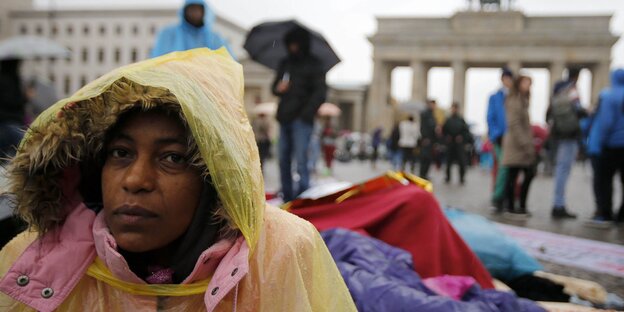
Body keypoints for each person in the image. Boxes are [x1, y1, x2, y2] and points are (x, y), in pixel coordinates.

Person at [0, 48, 355, 311]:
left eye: (173, 158)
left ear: (215, 177)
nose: (136, 180)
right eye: (121, 153)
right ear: (94, 165)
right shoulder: (27, 262)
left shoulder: (282, 251)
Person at [272, 27, 327, 202]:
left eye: (296, 43)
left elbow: (320, 92)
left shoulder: (315, 64)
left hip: (302, 119)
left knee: (302, 159)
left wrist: (306, 113)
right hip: (285, 117)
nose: (293, 47)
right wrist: (278, 88)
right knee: (283, 159)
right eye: (290, 43)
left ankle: (303, 196)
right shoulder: (285, 63)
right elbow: (273, 87)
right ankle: (287, 196)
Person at [546, 68, 587, 219]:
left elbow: (549, 113)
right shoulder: (572, 90)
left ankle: (558, 203)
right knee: (564, 170)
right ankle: (559, 205)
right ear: (576, 76)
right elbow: (580, 111)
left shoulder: (558, 90)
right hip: (570, 135)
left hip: (558, 134)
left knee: (560, 169)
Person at [587, 68, 624, 226]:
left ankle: (605, 213)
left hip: (610, 146)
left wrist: (598, 142)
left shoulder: (608, 95)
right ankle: (622, 215)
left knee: (603, 181)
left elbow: (606, 123)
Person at [502, 75, 536, 218]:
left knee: (521, 174)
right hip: (517, 145)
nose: (528, 86)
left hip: (521, 144)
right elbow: (514, 124)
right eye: (526, 83)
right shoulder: (515, 100)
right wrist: (526, 143)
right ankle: (512, 206)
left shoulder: (522, 101)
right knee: (515, 175)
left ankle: (520, 206)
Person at [150, 0, 233, 58]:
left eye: (198, 10)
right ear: (185, 11)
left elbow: (228, 61)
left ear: (204, 12)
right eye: (192, 9)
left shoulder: (214, 38)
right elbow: (159, 58)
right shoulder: (169, 33)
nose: (195, 13)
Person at [487, 68, 514, 211]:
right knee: (503, 167)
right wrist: (496, 134)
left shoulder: (515, 96)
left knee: (511, 168)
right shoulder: (495, 97)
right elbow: (490, 117)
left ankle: (509, 197)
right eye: (506, 78)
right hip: (500, 138)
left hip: (513, 138)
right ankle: (497, 198)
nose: (508, 81)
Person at [0, 59, 27, 162]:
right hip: (11, 123)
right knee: (23, 154)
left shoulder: (5, 78)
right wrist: (25, 97)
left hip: (4, 123)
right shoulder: (11, 80)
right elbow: (13, 102)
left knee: (3, 159)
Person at [443, 103, 471, 184]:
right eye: (453, 108)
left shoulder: (461, 120)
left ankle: (461, 178)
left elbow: (466, 132)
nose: (454, 110)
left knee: (462, 161)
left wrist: (462, 137)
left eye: (455, 108)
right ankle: (448, 177)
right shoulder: (448, 119)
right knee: (448, 162)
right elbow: (444, 131)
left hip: (459, 144)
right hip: (450, 144)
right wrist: (447, 137)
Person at [419, 99, 439, 180]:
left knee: (429, 158)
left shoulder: (432, 115)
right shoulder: (425, 114)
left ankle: (425, 174)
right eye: (433, 104)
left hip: (431, 140)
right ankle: (422, 174)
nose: (434, 106)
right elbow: (423, 127)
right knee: (425, 157)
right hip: (427, 139)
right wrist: (425, 137)